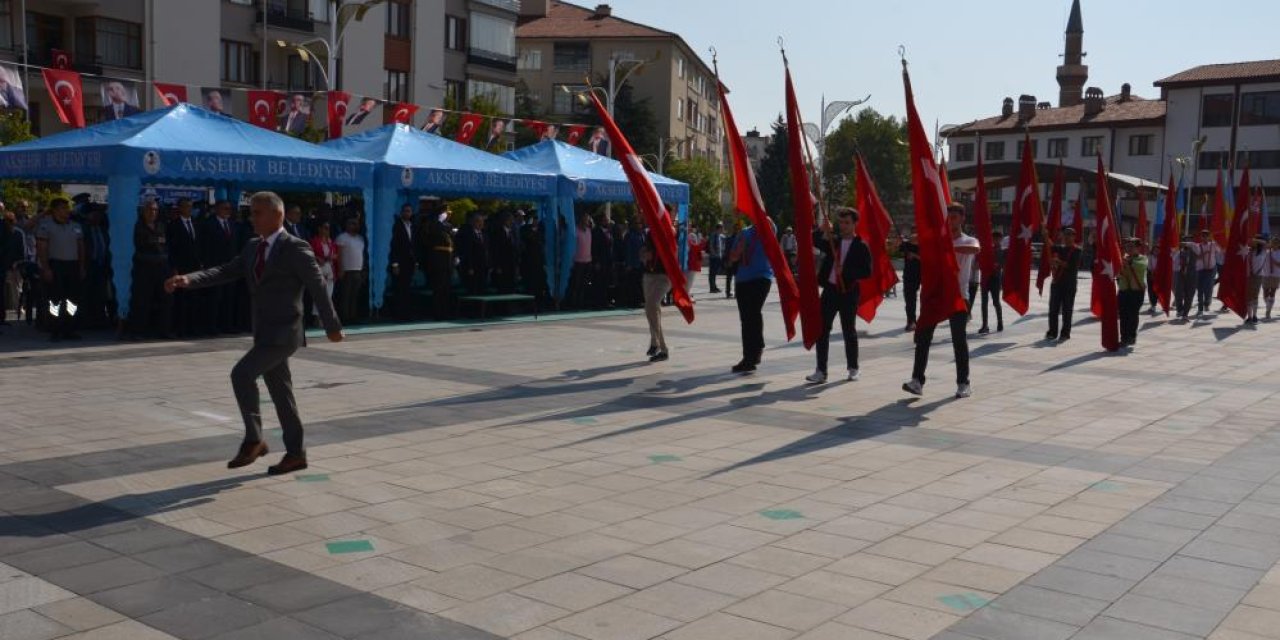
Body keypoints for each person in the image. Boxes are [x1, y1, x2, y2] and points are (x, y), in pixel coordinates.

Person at [165, 191, 343, 476]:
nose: (252, 218)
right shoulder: (252, 247)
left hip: (285, 332)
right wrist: (189, 279)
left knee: (242, 374)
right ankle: (296, 454)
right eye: (251, 213)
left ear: (277, 215)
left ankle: (254, 439)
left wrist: (332, 326)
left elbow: (318, 286)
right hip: (264, 332)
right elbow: (224, 271)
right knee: (282, 394)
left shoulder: (295, 248)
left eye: (258, 213)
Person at [903, 203, 978, 399]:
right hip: (936, 295)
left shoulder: (968, 240)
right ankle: (917, 380)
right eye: (948, 216)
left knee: (958, 339)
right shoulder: (938, 241)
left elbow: (974, 249)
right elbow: (921, 249)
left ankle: (964, 383)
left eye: (955, 216)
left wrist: (944, 246)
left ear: (962, 218)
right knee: (923, 337)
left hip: (958, 296)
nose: (951, 220)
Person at [806, 207, 872, 384]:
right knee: (822, 330)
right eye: (841, 222)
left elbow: (866, 271)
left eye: (847, 223)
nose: (843, 226)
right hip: (830, 291)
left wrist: (847, 271)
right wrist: (822, 228)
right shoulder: (834, 241)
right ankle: (821, 370)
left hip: (848, 292)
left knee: (848, 330)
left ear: (854, 224)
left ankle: (853, 368)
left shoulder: (861, 246)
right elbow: (814, 240)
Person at [729, 220, 775, 373]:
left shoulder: (768, 226)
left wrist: (765, 219)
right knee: (746, 318)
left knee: (753, 312)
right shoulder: (743, 233)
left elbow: (772, 238)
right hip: (743, 279)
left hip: (762, 277)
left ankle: (753, 354)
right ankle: (749, 356)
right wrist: (739, 249)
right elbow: (733, 258)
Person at [36, 198, 85, 341]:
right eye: (63, 208)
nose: (67, 211)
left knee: (72, 300)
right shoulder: (46, 226)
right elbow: (42, 248)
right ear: (55, 210)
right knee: (55, 301)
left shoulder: (76, 226)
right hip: (56, 265)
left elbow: (81, 247)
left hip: (72, 265)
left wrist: (81, 267)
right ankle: (55, 329)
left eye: (67, 208)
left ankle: (70, 329)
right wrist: (46, 268)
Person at [126, 199, 173, 339]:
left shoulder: (162, 225)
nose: (153, 212)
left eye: (155, 210)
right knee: (142, 301)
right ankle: (138, 332)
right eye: (150, 209)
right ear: (143, 211)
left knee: (166, 301)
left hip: (162, 268)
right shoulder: (137, 226)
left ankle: (164, 331)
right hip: (144, 268)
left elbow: (167, 246)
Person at [202, 201, 242, 334]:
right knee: (215, 298)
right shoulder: (209, 224)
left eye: (229, 209)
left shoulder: (232, 224)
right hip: (215, 266)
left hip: (230, 267)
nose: (228, 211)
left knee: (229, 297)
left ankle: (227, 325)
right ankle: (211, 326)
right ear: (217, 209)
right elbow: (205, 247)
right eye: (225, 208)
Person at [166, 198, 204, 337]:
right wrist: (174, 267)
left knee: (194, 298)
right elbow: (171, 248)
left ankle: (192, 327)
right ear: (180, 208)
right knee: (181, 300)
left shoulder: (196, 223)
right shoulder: (173, 225)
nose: (189, 209)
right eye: (186, 206)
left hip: (195, 267)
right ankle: (180, 329)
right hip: (181, 267)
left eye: (191, 206)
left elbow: (200, 245)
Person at [641, 222, 673, 362]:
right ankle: (654, 342)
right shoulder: (650, 232)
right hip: (649, 274)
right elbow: (645, 251)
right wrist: (644, 255)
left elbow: (672, 251)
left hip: (664, 276)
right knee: (651, 309)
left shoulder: (670, 231)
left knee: (652, 305)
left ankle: (663, 348)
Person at [1046, 227, 1081, 341]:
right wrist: (1045, 234)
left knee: (1067, 310)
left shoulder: (1076, 250)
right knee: (1053, 309)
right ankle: (1052, 332)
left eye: (1069, 235)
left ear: (1074, 237)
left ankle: (1065, 333)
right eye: (1065, 234)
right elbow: (1050, 246)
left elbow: (1071, 266)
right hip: (1056, 283)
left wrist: (1058, 262)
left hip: (1069, 285)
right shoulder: (1059, 248)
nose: (1067, 237)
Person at [333, 218, 366, 324]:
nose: (354, 226)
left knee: (354, 295)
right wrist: (340, 269)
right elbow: (339, 254)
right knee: (345, 295)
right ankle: (344, 317)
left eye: (356, 224)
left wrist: (363, 269)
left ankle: (353, 316)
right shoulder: (342, 237)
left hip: (357, 269)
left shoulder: (360, 238)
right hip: (346, 270)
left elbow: (362, 254)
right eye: (352, 223)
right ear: (347, 225)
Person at [389, 204, 418, 321]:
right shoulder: (396, 226)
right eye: (405, 211)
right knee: (399, 288)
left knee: (407, 289)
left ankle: (406, 313)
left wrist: (416, 262)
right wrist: (395, 263)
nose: (407, 213)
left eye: (409, 211)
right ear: (401, 212)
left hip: (409, 262)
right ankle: (398, 314)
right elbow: (394, 245)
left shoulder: (412, 226)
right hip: (399, 262)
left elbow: (414, 245)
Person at [1117, 237, 1147, 346]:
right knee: (1123, 315)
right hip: (1124, 291)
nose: (1129, 248)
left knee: (1133, 314)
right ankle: (1124, 337)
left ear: (1138, 248)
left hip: (1136, 291)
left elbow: (1139, 266)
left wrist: (1128, 262)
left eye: (1132, 246)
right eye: (1128, 246)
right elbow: (1118, 270)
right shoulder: (1123, 258)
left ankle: (1132, 336)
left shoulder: (1142, 258)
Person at [426, 211, 454, 319]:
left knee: (446, 289)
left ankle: (445, 312)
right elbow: (434, 228)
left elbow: (451, 246)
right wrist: (439, 220)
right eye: (446, 215)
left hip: (448, 263)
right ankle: (438, 313)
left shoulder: (447, 230)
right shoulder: (435, 227)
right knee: (438, 289)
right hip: (439, 263)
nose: (448, 217)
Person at [309, 222, 339, 322]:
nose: (327, 230)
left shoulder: (331, 242)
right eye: (325, 228)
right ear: (319, 229)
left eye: (328, 228)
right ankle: (317, 318)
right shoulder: (314, 241)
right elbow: (309, 254)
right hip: (319, 269)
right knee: (319, 295)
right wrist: (318, 258)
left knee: (328, 296)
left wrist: (333, 257)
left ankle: (325, 318)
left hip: (330, 271)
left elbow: (335, 255)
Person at [455, 212, 489, 296]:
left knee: (482, 288)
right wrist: (470, 267)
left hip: (483, 266)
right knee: (473, 288)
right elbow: (468, 251)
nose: (481, 224)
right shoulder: (468, 234)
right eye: (479, 221)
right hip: (473, 266)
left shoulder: (484, 235)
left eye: (482, 221)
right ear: (474, 222)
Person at [979, 230, 1005, 334]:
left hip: (995, 278)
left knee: (996, 302)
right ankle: (985, 325)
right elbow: (980, 261)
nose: (995, 240)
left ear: (1001, 239)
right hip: (985, 278)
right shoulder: (986, 250)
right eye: (994, 238)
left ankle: (1000, 322)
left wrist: (997, 265)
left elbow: (1003, 264)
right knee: (984, 303)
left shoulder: (1002, 251)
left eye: (997, 239)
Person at [1192, 229, 1220, 317]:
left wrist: (1216, 243)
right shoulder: (1197, 246)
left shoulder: (1213, 245)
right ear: (1201, 237)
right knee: (1200, 289)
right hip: (1200, 270)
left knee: (1208, 288)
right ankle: (1200, 308)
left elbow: (1220, 250)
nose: (1204, 238)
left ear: (1209, 237)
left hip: (1210, 269)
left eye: (1206, 236)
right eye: (1203, 236)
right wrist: (1205, 253)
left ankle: (1207, 303)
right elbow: (1197, 257)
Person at [900, 230, 921, 331]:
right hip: (909, 275)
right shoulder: (906, 245)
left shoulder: (926, 244)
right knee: (910, 299)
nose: (914, 235)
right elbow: (897, 248)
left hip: (924, 273)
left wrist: (915, 256)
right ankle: (911, 321)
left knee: (926, 298)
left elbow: (929, 258)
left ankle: (926, 319)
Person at [1174, 238, 1197, 321]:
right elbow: (1174, 263)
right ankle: (1180, 309)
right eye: (1185, 241)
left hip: (1192, 275)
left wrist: (1185, 243)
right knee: (1178, 293)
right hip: (1180, 274)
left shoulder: (1195, 248)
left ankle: (1185, 314)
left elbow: (1193, 244)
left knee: (1189, 295)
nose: (1185, 244)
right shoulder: (1179, 252)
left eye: (1188, 241)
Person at [1247, 236, 1268, 324]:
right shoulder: (1249, 251)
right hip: (1249, 275)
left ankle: (1255, 315)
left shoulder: (1263, 252)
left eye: (1256, 243)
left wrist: (1255, 240)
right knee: (1248, 296)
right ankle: (1249, 316)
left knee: (1255, 296)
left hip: (1258, 275)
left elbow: (1265, 243)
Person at [707, 222, 725, 294]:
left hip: (718, 257)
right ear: (719, 228)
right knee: (712, 273)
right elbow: (711, 246)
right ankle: (712, 288)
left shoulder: (720, 236)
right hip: (713, 257)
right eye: (721, 228)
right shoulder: (713, 235)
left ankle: (714, 286)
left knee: (714, 273)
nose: (722, 229)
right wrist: (714, 254)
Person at [1265, 236, 1280, 321]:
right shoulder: (1267, 252)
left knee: (1272, 292)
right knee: (1266, 292)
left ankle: (1268, 310)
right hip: (1266, 274)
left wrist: (1273, 261)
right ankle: (1268, 306)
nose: (1274, 244)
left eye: (1276, 243)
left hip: (1276, 275)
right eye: (1273, 242)